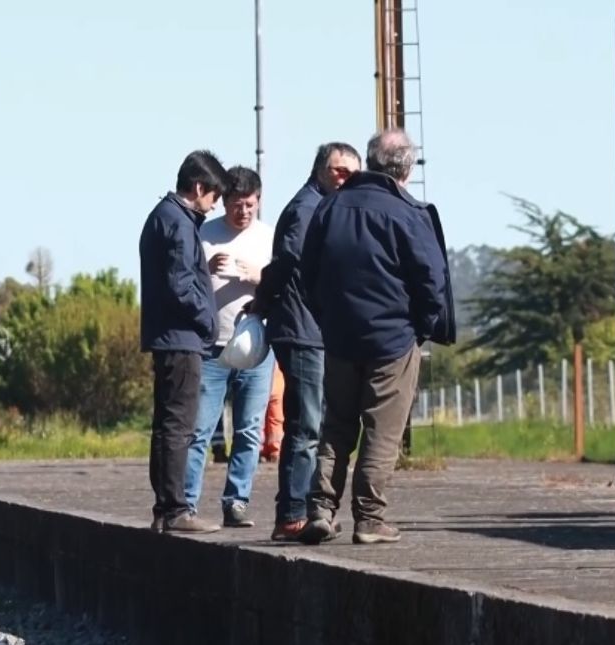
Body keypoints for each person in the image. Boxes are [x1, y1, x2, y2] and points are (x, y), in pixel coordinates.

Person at [298, 129, 455, 545]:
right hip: (393, 340)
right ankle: (369, 518)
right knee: (382, 431)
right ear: (406, 167)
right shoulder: (409, 213)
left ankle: (320, 509)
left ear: (370, 162)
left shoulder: (329, 207)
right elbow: (432, 281)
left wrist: (328, 319)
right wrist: (418, 330)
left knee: (336, 426)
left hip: (340, 337)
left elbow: (307, 273)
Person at [250, 142, 362, 541]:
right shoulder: (308, 209)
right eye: (339, 170)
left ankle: (306, 509)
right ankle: (293, 514)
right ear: (320, 170)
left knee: (313, 421)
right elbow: (290, 264)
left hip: (312, 327)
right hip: (302, 328)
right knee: (306, 425)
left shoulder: (324, 207)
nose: (346, 178)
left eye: (353, 172)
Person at [139, 149, 229, 534]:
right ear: (198, 187)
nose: (212, 207)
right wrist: (207, 318)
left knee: (166, 424)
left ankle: (166, 508)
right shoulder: (178, 221)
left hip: (167, 335)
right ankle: (175, 508)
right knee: (179, 424)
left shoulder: (163, 216)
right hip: (180, 338)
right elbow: (180, 284)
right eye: (213, 197)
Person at [183, 166, 275, 528]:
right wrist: (205, 268)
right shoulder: (204, 234)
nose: (244, 212)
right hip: (211, 348)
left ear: (259, 201)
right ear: (224, 202)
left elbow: (284, 286)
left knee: (250, 430)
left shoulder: (269, 238)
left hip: (255, 349)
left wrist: (258, 278)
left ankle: (236, 501)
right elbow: (184, 281)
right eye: (237, 205)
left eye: (250, 205)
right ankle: (187, 503)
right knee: (199, 430)